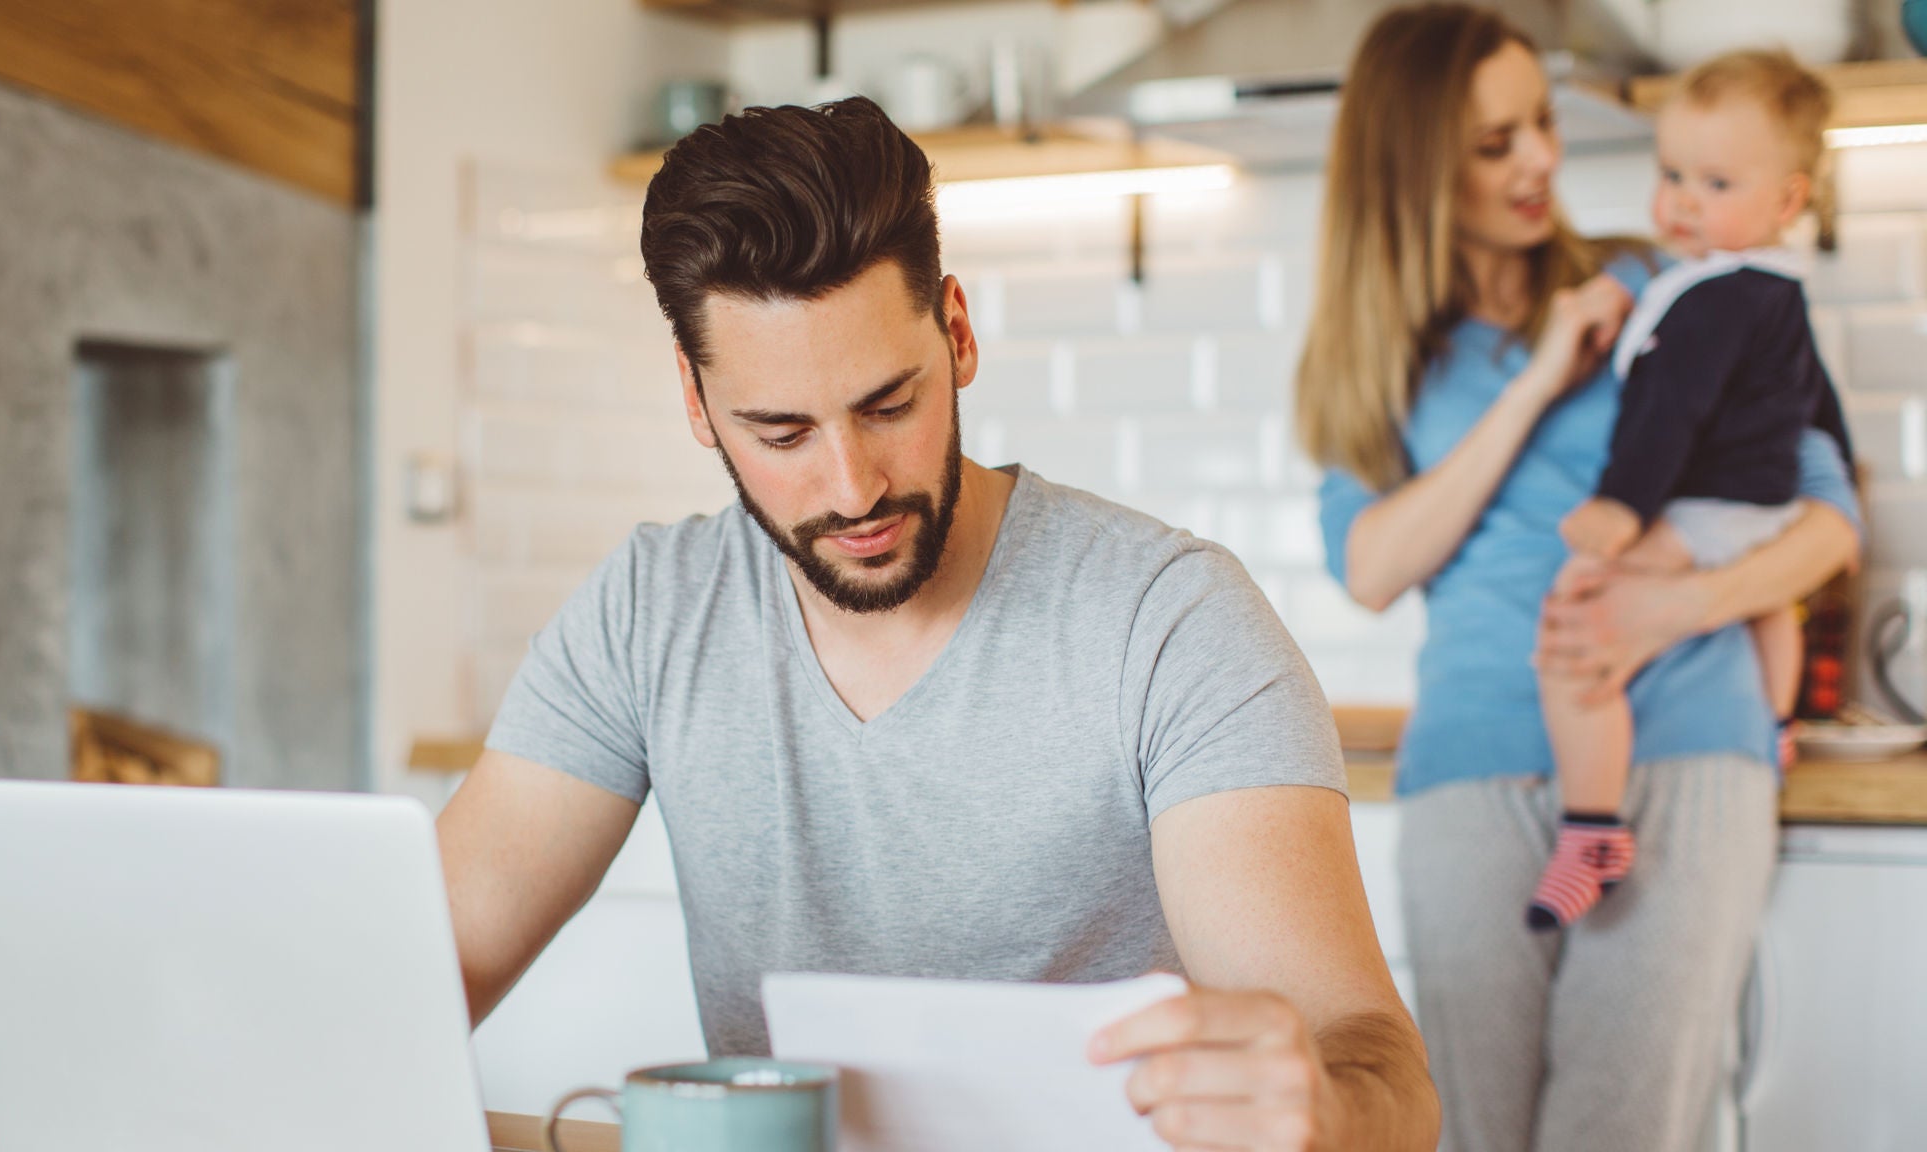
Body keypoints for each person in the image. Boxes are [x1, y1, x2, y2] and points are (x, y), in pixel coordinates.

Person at [437, 97, 1439, 1149]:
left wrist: (1328, 1105)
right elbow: (421, 974)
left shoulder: (1168, 621)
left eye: (887, 405)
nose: (853, 486)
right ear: (695, 401)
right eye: (779, 432)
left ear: (955, 333)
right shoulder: (650, 613)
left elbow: (1374, 1063)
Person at [1295, 6, 1860, 1152]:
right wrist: (1537, 379)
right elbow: (1370, 567)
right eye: (1493, 143)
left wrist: (1680, 604)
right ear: (1413, 168)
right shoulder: (1368, 359)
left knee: (1622, 1131)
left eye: (1539, 124)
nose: (1541, 162)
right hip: (1467, 779)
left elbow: (1826, 518)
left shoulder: (1667, 285)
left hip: (1683, 753)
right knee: (1466, 1131)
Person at [1531, 49, 1855, 930]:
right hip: (1762, 507)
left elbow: (1666, 417)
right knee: (1767, 609)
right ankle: (1777, 724)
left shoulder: (1713, 299)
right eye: (1671, 173)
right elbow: (1813, 424)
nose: (1679, 200)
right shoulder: (1775, 294)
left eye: (1713, 182)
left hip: (1707, 508)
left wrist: (1622, 510)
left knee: (1574, 613)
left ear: (1788, 202)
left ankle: (1590, 826)